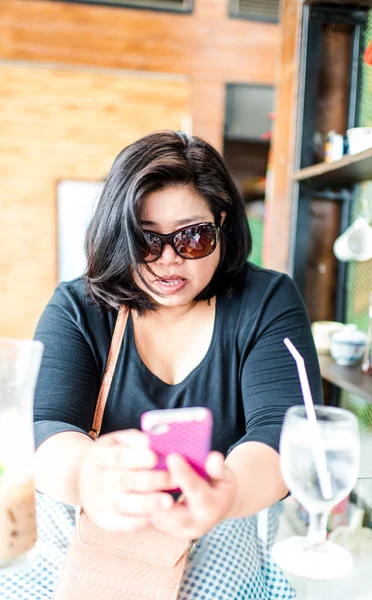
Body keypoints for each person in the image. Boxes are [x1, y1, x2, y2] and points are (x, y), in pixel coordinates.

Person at [30, 130, 322, 598]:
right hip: (96, 555)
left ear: (221, 223)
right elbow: (47, 427)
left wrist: (227, 490)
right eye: (146, 239)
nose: (168, 260)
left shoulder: (266, 300)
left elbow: (281, 430)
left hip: (223, 554)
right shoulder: (77, 305)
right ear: (118, 235)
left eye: (192, 236)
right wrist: (90, 477)